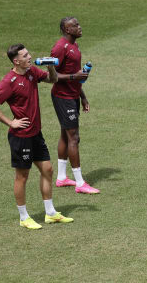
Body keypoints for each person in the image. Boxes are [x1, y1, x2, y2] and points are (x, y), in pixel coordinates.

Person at [0, 44, 74, 229]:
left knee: (48, 169)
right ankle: (24, 217)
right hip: (21, 136)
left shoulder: (32, 71)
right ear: (16, 61)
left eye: (28, 54)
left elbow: (53, 79)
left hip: (36, 133)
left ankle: (50, 213)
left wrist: (50, 65)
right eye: (25, 55)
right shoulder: (9, 82)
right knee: (22, 176)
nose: (29, 57)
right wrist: (11, 123)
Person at [50, 17, 99, 194]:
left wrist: (83, 96)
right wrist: (73, 78)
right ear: (66, 29)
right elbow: (52, 76)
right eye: (75, 25)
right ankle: (80, 183)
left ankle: (62, 178)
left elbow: (75, 74)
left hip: (72, 96)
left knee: (65, 134)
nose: (79, 27)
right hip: (62, 97)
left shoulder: (74, 47)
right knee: (74, 137)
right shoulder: (59, 48)